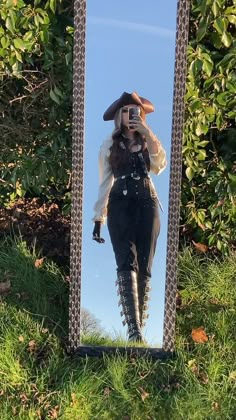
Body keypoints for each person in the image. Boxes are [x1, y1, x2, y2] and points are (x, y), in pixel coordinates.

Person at [92, 91, 167, 342]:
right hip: (120, 202)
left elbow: (159, 165)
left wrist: (147, 133)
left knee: (145, 264)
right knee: (126, 261)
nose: (130, 115)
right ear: (118, 116)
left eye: (134, 111)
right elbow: (104, 181)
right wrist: (98, 218)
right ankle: (133, 330)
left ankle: (140, 331)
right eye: (125, 110)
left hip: (148, 202)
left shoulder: (148, 141)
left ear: (141, 115)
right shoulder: (109, 145)